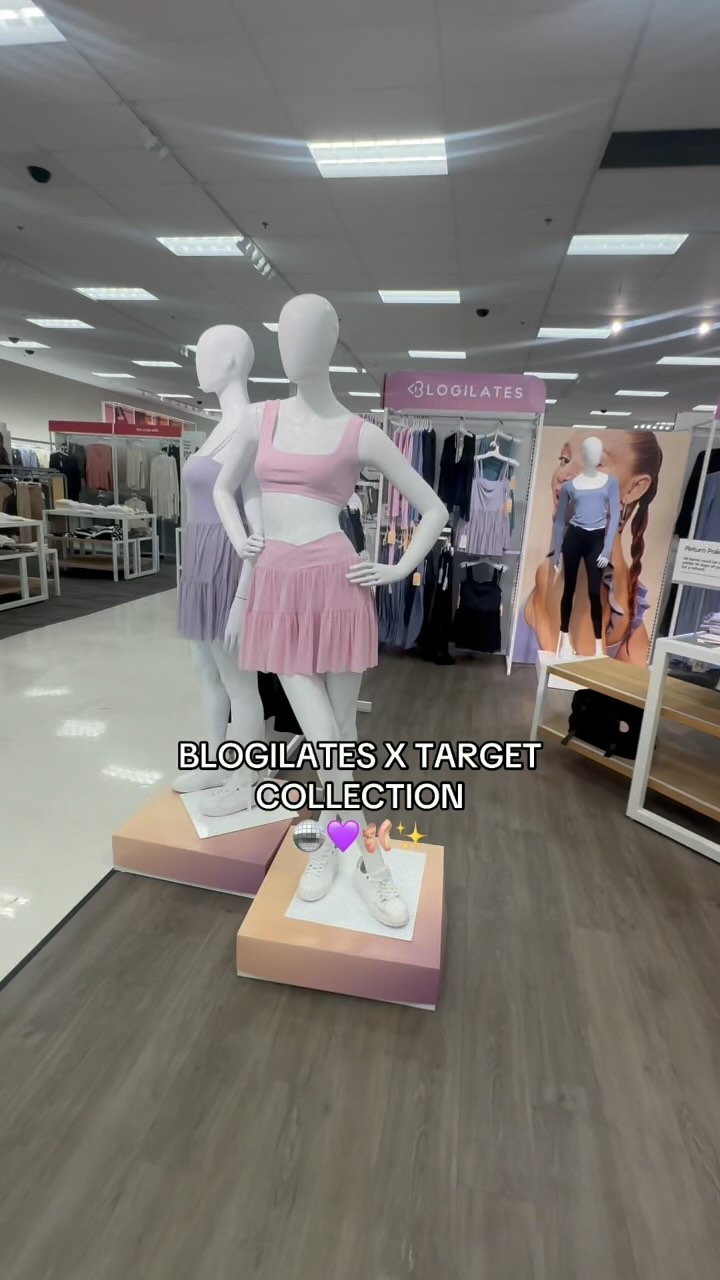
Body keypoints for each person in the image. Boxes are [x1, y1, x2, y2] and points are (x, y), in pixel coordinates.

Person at [515, 431, 662, 664]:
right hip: (575, 542)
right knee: (573, 591)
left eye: (597, 461)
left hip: (593, 546)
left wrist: (604, 549)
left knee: (590, 593)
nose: (563, 474)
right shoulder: (574, 487)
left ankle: (589, 646)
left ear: (635, 488)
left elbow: (630, 676)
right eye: (565, 459)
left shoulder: (625, 584)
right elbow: (560, 521)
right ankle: (568, 641)